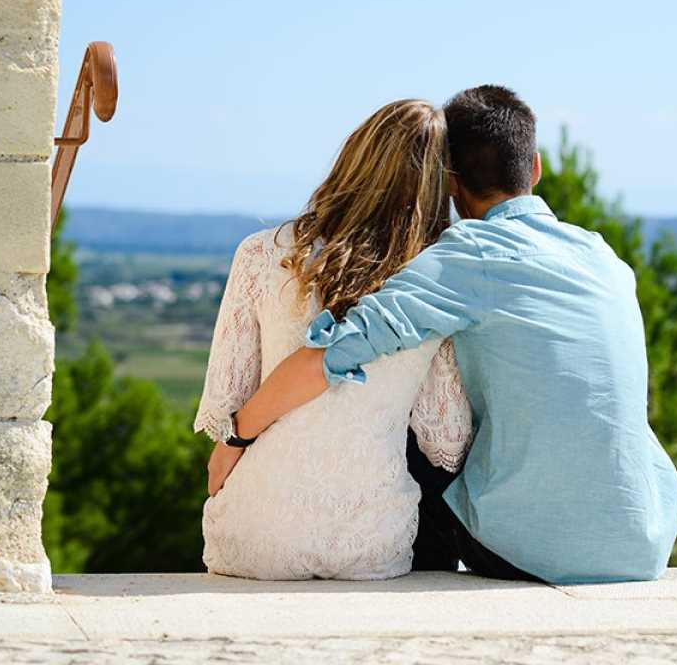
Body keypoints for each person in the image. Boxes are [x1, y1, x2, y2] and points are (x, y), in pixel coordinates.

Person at [211, 85, 677, 585]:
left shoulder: (466, 255)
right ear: (535, 168)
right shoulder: (603, 256)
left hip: (529, 550)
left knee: (408, 416)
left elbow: (335, 353)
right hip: (643, 541)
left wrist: (234, 439)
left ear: (450, 182)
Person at [193, 99, 473, 580]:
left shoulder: (260, 254)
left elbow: (226, 402)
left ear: (355, 157)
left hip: (256, 532)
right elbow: (445, 437)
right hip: (371, 542)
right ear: (439, 185)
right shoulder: (434, 285)